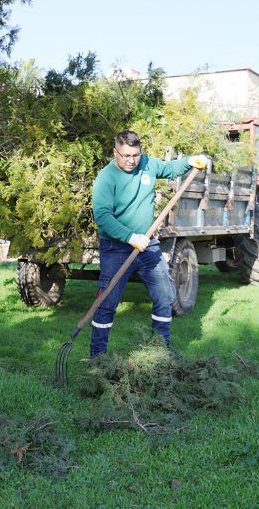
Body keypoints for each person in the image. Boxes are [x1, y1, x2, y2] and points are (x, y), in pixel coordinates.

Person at [90, 130, 207, 357]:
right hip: (116, 248)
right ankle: (98, 357)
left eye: (134, 155)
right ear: (115, 152)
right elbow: (103, 217)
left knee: (165, 294)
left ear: (140, 151)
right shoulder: (106, 178)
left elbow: (170, 169)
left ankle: (160, 349)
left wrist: (190, 161)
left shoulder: (147, 164)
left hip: (147, 245)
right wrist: (130, 237)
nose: (131, 161)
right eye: (124, 155)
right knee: (107, 302)